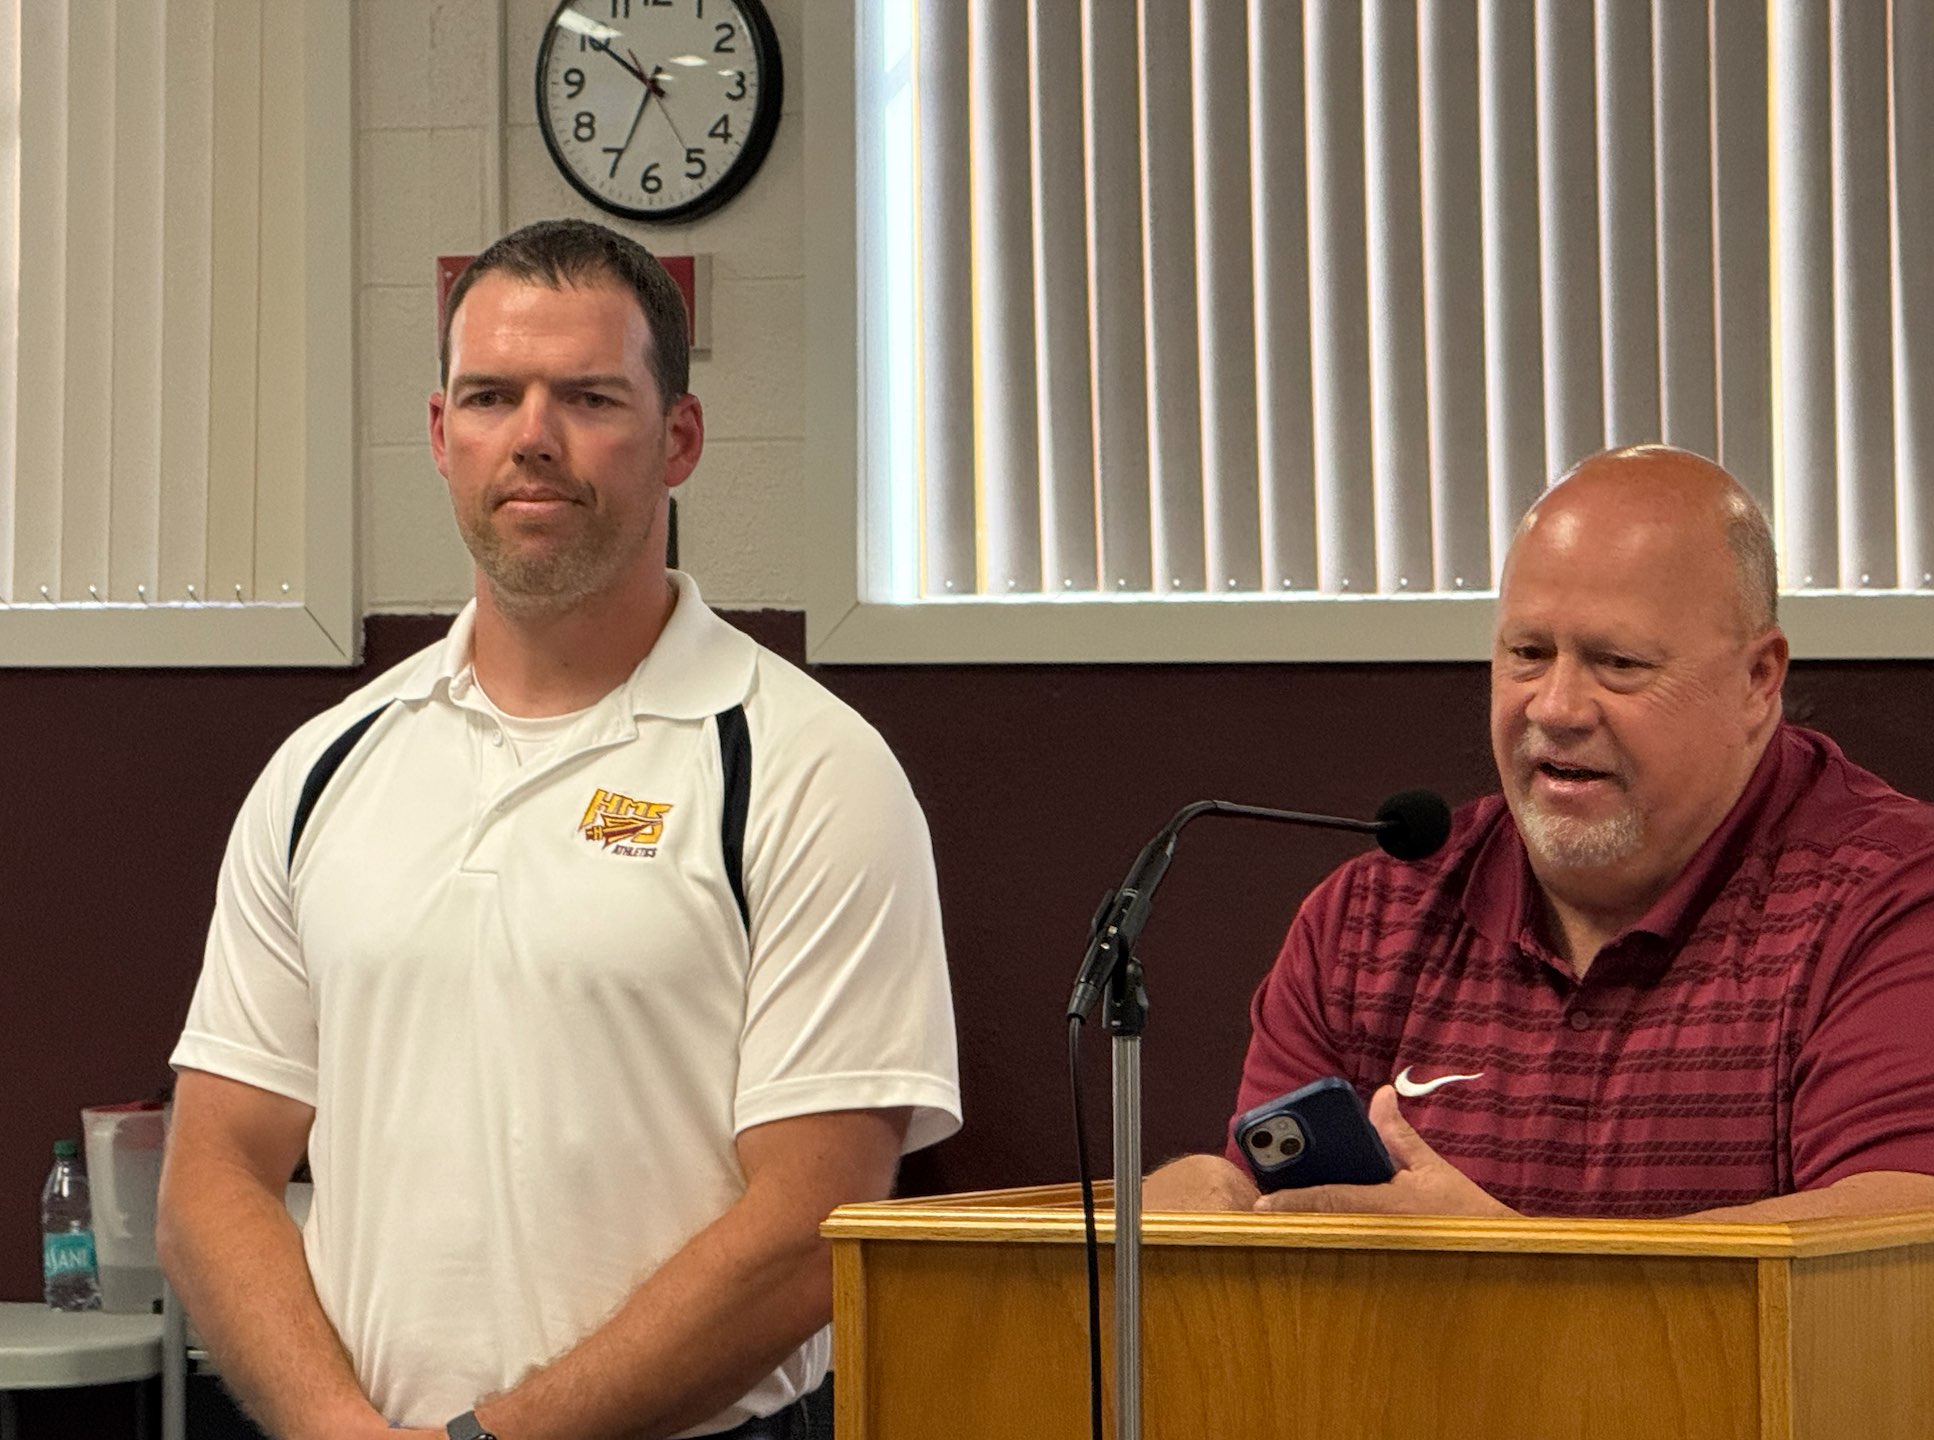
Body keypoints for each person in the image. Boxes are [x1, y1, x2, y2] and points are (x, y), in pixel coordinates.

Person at [158, 219, 961, 1440]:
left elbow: (812, 1222)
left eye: (588, 396)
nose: (531, 436)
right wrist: (336, 1429)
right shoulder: (323, 768)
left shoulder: (805, 768)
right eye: (490, 394)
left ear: (677, 439)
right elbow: (214, 1173)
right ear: (440, 436)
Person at [1146, 445, 1934, 1221]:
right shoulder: (1367, 923)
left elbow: (1890, 1240)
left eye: (1617, 663)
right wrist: (1214, 1209)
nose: (1555, 707)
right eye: (1527, 653)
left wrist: (1505, 1270)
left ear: (1758, 679)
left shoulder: (1895, 897)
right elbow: (1272, 1248)